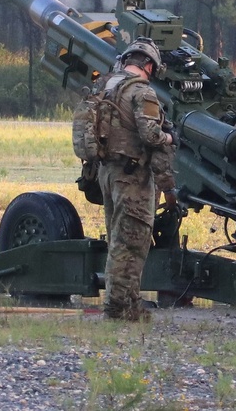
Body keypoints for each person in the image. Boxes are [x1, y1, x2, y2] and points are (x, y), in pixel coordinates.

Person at [97, 37, 178, 321]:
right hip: (132, 176)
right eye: (152, 68)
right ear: (147, 65)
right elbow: (151, 136)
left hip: (107, 172)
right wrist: (170, 136)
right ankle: (119, 309)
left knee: (118, 241)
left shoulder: (107, 86)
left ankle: (126, 303)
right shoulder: (142, 93)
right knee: (131, 243)